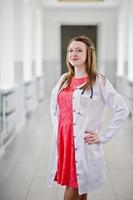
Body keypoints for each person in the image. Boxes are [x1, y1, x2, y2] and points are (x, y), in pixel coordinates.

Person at [48, 35, 129, 200]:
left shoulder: (99, 81)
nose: (73, 53)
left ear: (88, 54)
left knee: (73, 188)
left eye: (79, 50)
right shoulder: (64, 79)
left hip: (82, 144)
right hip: (64, 141)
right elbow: (54, 107)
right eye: (71, 50)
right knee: (80, 188)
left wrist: (103, 136)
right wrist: (59, 129)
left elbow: (122, 109)